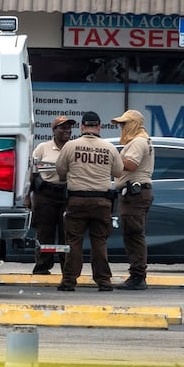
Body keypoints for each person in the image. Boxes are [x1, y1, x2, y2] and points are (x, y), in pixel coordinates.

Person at [54, 111, 124, 292]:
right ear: (99, 127)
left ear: (82, 127)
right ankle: (104, 281)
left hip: (77, 201)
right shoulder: (109, 148)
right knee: (99, 242)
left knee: (74, 241)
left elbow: (60, 169)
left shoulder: (70, 146)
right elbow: (118, 172)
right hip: (101, 202)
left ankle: (69, 281)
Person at [25, 115, 74, 274]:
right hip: (45, 194)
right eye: (63, 127)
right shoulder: (43, 148)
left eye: (69, 128)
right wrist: (27, 196)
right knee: (45, 232)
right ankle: (42, 266)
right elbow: (31, 172)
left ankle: (67, 268)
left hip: (66, 193)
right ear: (54, 130)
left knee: (66, 232)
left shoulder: (73, 147)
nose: (67, 130)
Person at [112, 109, 155, 290]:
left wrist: (111, 160)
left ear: (134, 124)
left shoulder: (138, 142)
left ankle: (137, 276)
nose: (121, 127)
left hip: (134, 195)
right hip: (135, 193)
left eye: (124, 124)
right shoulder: (141, 140)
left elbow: (131, 164)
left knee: (134, 235)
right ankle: (137, 274)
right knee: (133, 234)